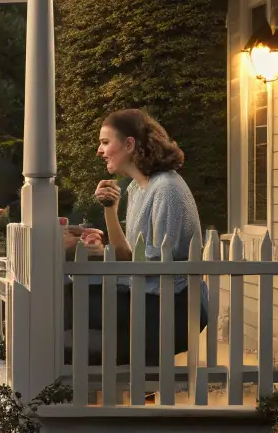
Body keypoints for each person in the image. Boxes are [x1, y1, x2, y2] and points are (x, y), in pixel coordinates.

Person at [65, 108, 208, 365]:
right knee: (66, 301)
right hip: (144, 297)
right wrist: (109, 210)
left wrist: (93, 262)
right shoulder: (136, 188)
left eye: (105, 142)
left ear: (129, 144)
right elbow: (128, 256)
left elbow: (150, 265)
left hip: (169, 308)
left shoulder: (167, 189)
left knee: (68, 309)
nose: (99, 150)